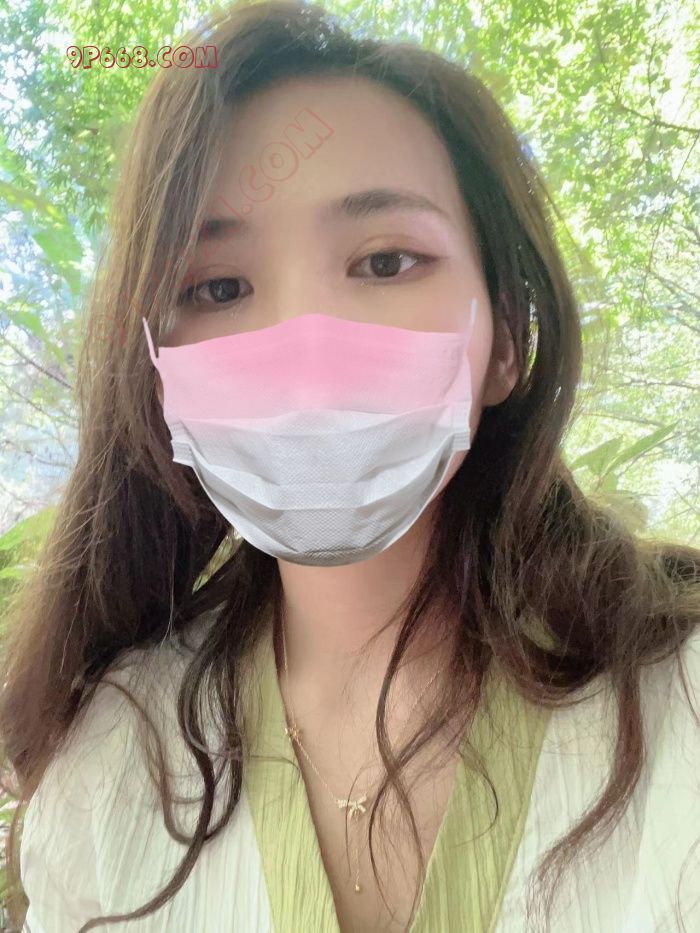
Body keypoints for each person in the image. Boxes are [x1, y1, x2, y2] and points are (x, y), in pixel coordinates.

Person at [1, 1, 699, 931]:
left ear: (504, 339)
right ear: (158, 373)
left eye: (385, 262)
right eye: (218, 286)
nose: (306, 354)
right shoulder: (111, 756)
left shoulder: (680, 699)